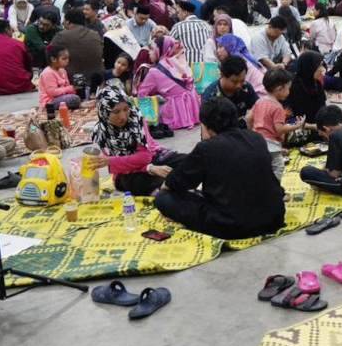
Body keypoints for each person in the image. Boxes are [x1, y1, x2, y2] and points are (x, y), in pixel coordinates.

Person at [155, 98, 285, 239]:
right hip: (273, 219)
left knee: (163, 198)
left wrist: (166, 186)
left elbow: (178, 183)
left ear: (206, 126)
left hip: (232, 226)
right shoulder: (256, 138)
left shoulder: (206, 148)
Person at [91, 83, 185, 195]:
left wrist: (149, 167)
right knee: (136, 182)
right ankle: (167, 185)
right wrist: (149, 169)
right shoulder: (101, 132)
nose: (123, 116)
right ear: (104, 112)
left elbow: (145, 157)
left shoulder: (136, 119)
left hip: (153, 157)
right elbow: (118, 168)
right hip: (127, 173)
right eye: (116, 112)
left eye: (126, 109)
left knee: (187, 161)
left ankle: (169, 184)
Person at [137, 37, 201, 130]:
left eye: (151, 49)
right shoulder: (177, 61)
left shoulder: (154, 71)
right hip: (193, 109)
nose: (149, 52)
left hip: (175, 112)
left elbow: (141, 94)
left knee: (155, 105)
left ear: (159, 51)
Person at [201, 56, 258, 127]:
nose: (239, 85)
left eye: (242, 81)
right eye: (234, 81)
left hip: (243, 129)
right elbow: (207, 126)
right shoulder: (211, 95)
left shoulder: (246, 88)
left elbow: (257, 106)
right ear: (222, 75)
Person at [52, 8, 103, 81]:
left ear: (68, 22)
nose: (62, 23)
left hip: (72, 80)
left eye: (64, 21)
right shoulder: (95, 35)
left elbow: (49, 55)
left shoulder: (61, 36)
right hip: (97, 79)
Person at [38, 44, 81, 110]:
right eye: (64, 59)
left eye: (68, 58)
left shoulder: (63, 70)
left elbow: (67, 86)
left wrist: (75, 89)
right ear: (53, 59)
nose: (67, 60)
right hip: (50, 101)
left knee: (82, 92)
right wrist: (69, 89)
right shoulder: (48, 73)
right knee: (74, 99)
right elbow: (52, 92)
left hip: (62, 97)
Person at [0, 20, 34, 95]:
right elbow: (29, 67)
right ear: (7, 29)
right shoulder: (18, 44)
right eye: (11, 30)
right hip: (19, 86)